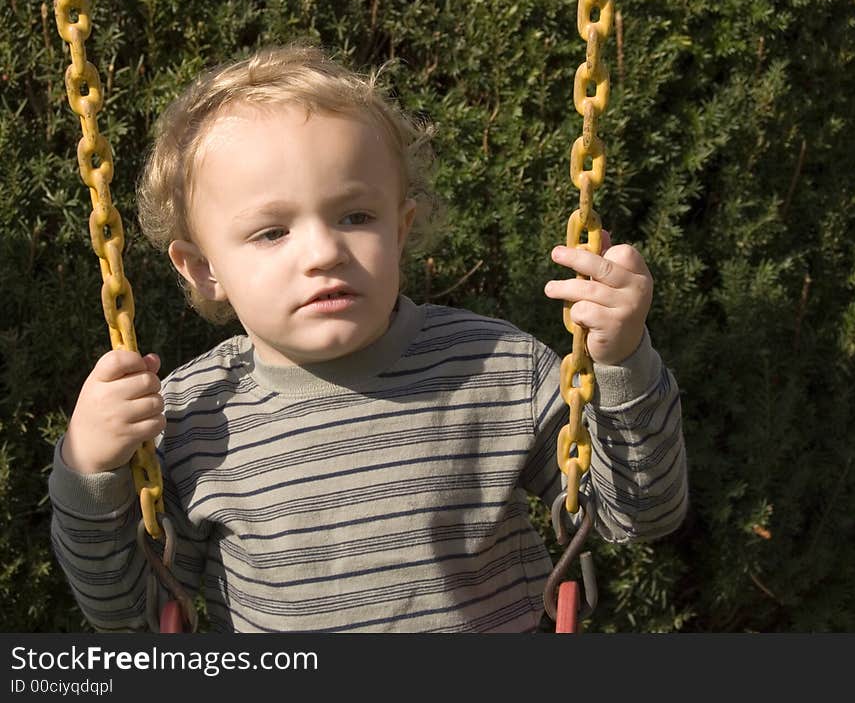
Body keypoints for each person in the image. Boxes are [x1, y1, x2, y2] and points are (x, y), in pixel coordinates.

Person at [49, 43, 687, 633]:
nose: (324, 252)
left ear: (401, 229)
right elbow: (127, 609)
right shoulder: (190, 418)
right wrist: (90, 469)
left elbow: (639, 512)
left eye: (356, 216)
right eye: (272, 232)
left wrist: (624, 359)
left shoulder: (495, 367)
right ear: (204, 269)